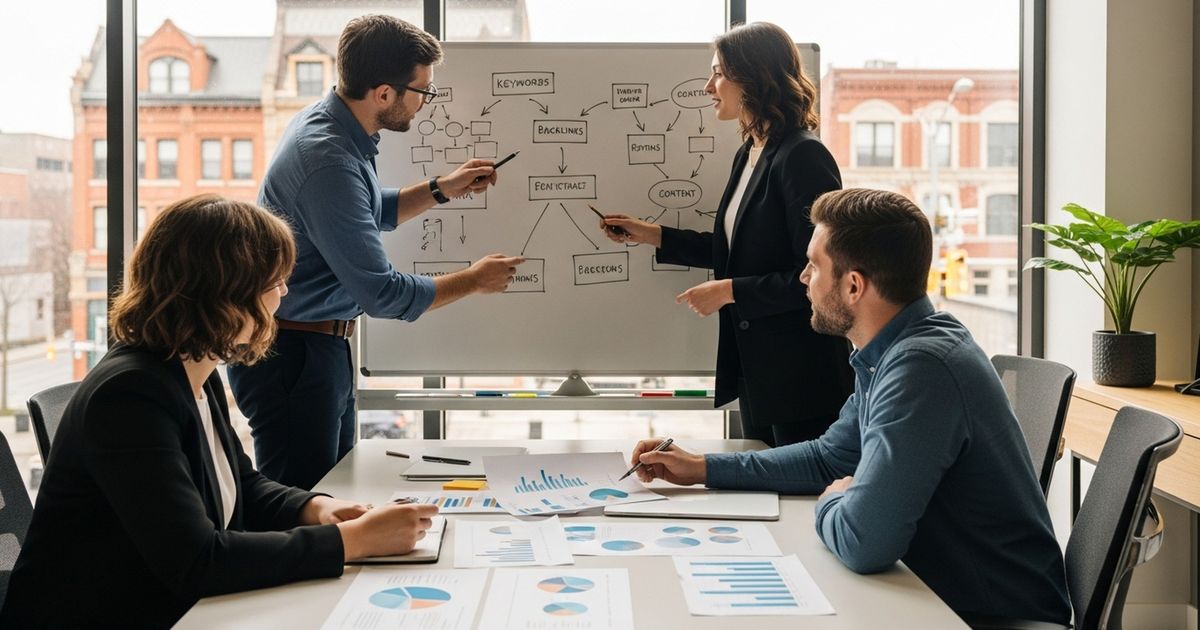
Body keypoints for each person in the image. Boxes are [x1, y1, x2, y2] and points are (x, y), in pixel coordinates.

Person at [626, 188, 1072, 624]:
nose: (802, 278)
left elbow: (864, 541)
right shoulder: (893, 351)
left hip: (990, 615)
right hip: (940, 594)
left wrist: (836, 499)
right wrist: (701, 468)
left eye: (813, 266)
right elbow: (830, 457)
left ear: (854, 285)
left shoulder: (921, 368)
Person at [0, 195, 439, 628]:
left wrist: (318, 509)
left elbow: (241, 485)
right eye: (274, 282)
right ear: (226, 293)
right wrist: (349, 542)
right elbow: (198, 561)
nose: (283, 294)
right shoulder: (129, 395)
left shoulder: (193, 369)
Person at [228, 15, 523, 489]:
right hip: (295, 358)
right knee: (304, 511)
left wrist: (441, 188)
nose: (425, 103)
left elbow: (362, 210)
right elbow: (381, 293)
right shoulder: (327, 157)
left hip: (316, 347)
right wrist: (474, 279)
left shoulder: (333, 129)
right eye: (422, 91)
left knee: (331, 496)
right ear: (384, 94)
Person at [599, 22, 852, 446]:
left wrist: (730, 291)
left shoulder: (803, 155)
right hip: (759, 373)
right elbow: (736, 251)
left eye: (718, 72)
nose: (707, 86)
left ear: (753, 77)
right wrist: (651, 234)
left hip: (802, 379)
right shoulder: (751, 152)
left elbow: (819, 276)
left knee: (801, 501)